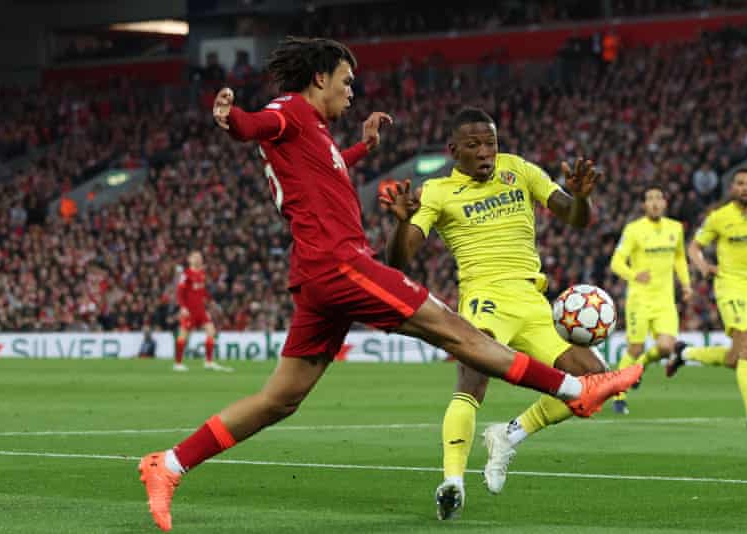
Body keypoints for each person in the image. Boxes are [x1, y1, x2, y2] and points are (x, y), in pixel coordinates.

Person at [137, 37, 641, 532]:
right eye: (346, 81)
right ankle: (579, 389)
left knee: (280, 399)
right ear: (320, 78)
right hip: (340, 263)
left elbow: (327, 168)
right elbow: (256, 124)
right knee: (456, 333)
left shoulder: (313, 130)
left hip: (316, 276)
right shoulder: (289, 109)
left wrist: (362, 147)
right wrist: (232, 118)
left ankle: (171, 464)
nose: (351, 91)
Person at [383, 107, 614, 519]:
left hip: (533, 302)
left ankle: (510, 435)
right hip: (483, 299)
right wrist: (401, 224)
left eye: (490, 143)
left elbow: (575, 219)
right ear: (454, 151)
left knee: (599, 383)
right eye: (474, 145)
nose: (485, 152)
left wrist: (581, 197)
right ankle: (452, 481)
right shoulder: (437, 191)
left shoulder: (519, 170)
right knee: (471, 385)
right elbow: (399, 258)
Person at [666, 169, 747, 431]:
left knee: (737, 356)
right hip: (729, 287)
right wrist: (702, 266)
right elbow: (694, 247)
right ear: (733, 188)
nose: (745, 188)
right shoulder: (718, 218)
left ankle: (685, 353)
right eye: (740, 183)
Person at [610, 185, 692, 415]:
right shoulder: (634, 230)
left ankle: (639, 368)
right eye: (650, 199)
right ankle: (619, 395)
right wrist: (634, 275)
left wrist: (686, 285)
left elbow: (680, 259)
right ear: (644, 205)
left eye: (659, 198)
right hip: (640, 299)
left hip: (665, 300)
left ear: (665, 203)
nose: (655, 202)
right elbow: (616, 262)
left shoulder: (675, 228)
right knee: (635, 348)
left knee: (666, 348)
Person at [174, 251, 230, 372]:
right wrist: (183, 307)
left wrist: (211, 301)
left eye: (200, 257)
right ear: (189, 259)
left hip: (201, 310)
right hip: (190, 311)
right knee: (183, 335)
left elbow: (203, 291)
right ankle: (178, 363)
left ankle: (208, 362)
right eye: (195, 257)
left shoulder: (202, 274)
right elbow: (179, 293)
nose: (198, 259)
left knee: (211, 331)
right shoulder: (186, 274)